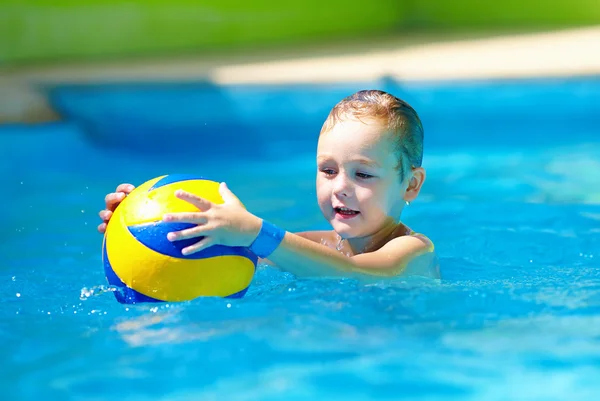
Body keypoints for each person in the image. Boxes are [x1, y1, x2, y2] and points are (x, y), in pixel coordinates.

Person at [98, 90, 440, 280]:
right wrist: (147, 222)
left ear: (411, 184)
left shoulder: (413, 252)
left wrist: (255, 232)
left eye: (362, 174)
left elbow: (353, 274)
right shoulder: (318, 246)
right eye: (328, 170)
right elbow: (229, 253)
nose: (340, 188)